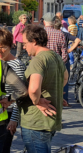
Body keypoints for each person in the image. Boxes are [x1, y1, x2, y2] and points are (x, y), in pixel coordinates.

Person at [19, 24, 68, 153]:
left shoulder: (38, 60)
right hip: (50, 121)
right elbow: (65, 77)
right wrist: (55, 89)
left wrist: (37, 101)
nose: (24, 47)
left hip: (36, 121)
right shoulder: (55, 56)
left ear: (34, 41)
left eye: (25, 43)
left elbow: (34, 89)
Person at [0, 29, 25, 153]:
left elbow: (21, 93)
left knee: (4, 147)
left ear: (10, 46)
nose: (0, 51)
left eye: (3, 47)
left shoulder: (17, 64)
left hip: (9, 111)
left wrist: (14, 119)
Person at [54, 17, 81, 107]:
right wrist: (69, 50)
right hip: (64, 59)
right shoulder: (64, 34)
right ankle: (64, 100)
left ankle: (55, 99)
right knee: (65, 80)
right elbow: (77, 40)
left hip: (54, 59)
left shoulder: (51, 34)